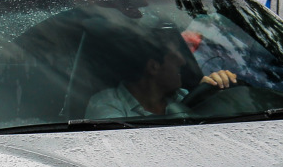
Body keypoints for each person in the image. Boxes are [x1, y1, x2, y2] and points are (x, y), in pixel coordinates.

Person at [84, 29, 237, 118]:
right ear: (153, 67)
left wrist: (210, 95)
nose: (182, 62)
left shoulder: (182, 97)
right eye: (174, 56)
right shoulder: (106, 106)